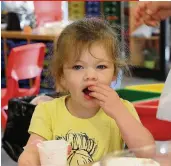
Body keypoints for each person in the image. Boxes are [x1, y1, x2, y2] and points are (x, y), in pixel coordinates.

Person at [18, 18, 155, 166]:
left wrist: (119, 113)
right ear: (62, 77)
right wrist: (29, 160)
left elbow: (147, 152)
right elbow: (31, 151)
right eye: (78, 67)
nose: (91, 75)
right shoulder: (47, 111)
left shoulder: (123, 109)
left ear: (114, 73)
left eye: (101, 66)